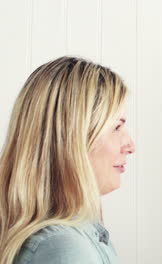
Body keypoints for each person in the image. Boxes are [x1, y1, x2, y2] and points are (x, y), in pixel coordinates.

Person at [0, 56, 135, 264]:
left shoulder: (75, 238)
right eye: (117, 126)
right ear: (72, 138)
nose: (130, 146)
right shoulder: (66, 249)